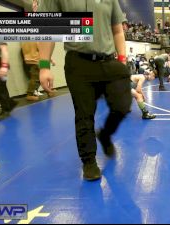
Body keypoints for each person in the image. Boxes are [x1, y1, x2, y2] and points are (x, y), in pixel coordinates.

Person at [38, 0, 132, 181]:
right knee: (84, 114)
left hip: (108, 61)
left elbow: (118, 30)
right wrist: (44, 66)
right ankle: (89, 161)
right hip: (79, 64)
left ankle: (105, 135)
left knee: (122, 106)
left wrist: (122, 59)